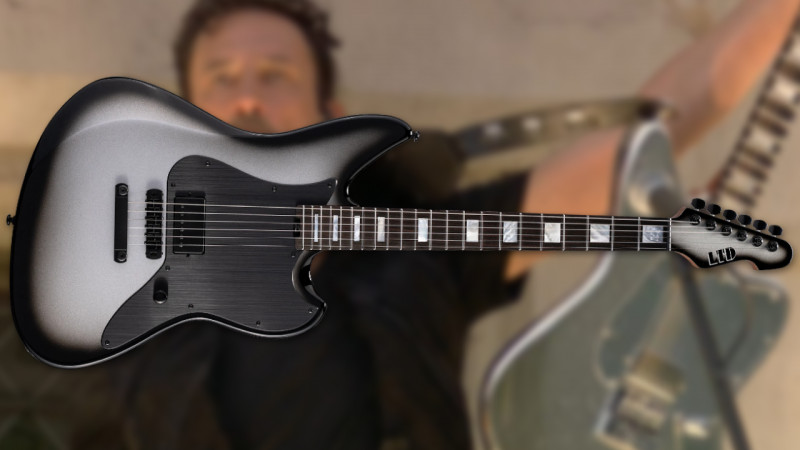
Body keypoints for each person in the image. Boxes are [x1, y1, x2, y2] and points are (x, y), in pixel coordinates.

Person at [80, 0, 800, 449]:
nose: (246, 99)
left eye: (276, 76)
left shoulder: (422, 250)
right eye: (220, 78)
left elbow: (641, 140)